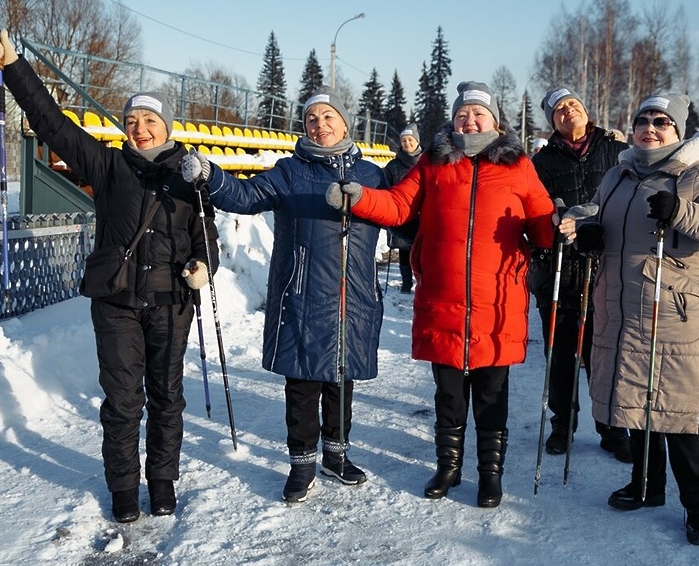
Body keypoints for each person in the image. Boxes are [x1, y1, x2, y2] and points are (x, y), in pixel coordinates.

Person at [0, 30, 219, 523]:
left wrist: (204, 267)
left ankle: (161, 482)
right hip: (115, 303)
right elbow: (53, 125)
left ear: (166, 126)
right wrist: (14, 67)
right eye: (132, 121)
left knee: (167, 399)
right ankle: (122, 488)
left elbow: (205, 236)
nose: (139, 129)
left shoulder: (191, 173)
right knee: (121, 402)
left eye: (149, 121)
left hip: (172, 302)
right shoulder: (109, 164)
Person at [327, 81, 555, 508]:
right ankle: (447, 467)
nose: (470, 119)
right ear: (452, 121)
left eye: (478, 113)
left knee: (491, 393)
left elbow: (540, 222)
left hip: (496, 301)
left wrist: (557, 225)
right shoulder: (432, 162)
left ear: (496, 121)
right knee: (448, 393)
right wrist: (359, 198)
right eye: (462, 114)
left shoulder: (518, 166)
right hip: (442, 297)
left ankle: (491, 475)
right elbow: (397, 206)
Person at [559, 92, 699, 545]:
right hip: (624, 308)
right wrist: (588, 232)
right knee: (638, 401)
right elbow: (597, 214)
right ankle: (647, 486)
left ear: (678, 131)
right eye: (643, 119)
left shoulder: (698, 175)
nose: (650, 127)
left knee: (679, 413)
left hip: (675, 313)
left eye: (662, 121)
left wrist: (683, 210)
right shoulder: (618, 174)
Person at [182, 86, 386, 503]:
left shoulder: (371, 176)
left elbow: (403, 211)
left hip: (353, 298)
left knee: (342, 383)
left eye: (328, 116)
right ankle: (302, 463)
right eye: (312, 118)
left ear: (345, 123)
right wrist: (211, 174)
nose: (320, 124)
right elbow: (246, 195)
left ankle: (337, 455)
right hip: (304, 297)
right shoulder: (289, 172)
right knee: (303, 386)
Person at [530, 87, 631, 463]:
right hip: (558, 270)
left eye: (573, 104)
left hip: (607, 269)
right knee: (560, 355)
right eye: (558, 109)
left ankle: (611, 426)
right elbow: (531, 210)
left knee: (605, 355)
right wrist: (549, 220)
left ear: (586, 110)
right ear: (552, 121)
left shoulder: (616, 151)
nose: (567, 111)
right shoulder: (542, 161)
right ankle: (562, 424)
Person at [382, 123, 423, 293]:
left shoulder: (427, 162)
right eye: (404, 140)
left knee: (423, 250)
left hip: (423, 213)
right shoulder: (393, 166)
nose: (407, 143)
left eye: (410, 139)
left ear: (417, 141)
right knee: (404, 250)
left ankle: (422, 281)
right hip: (402, 214)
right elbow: (385, 187)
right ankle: (406, 283)